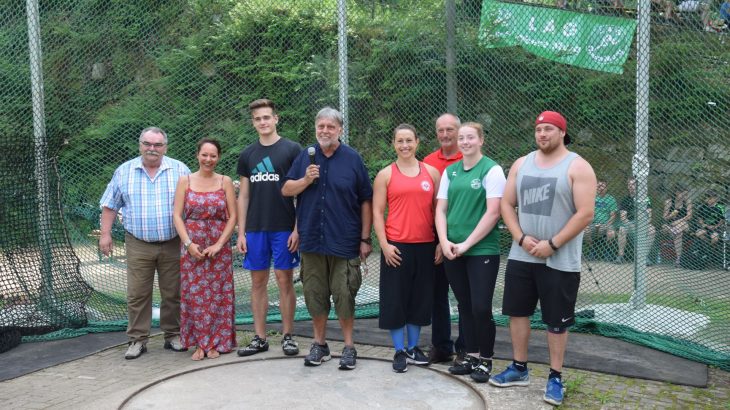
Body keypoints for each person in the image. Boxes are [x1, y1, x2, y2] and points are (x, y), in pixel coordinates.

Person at [490, 111, 596, 407]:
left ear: (562, 132)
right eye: (538, 129)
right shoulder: (521, 164)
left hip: (560, 259)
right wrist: (521, 238)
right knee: (518, 312)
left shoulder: (578, 166)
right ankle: (519, 368)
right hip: (522, 255)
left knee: (556, 321)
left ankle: (555, 376)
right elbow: (506, 205)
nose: (542, 134)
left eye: (548, 129)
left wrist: (553, 243)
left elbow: (585, 212)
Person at [281, 107, 373, 370]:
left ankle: (348, 347)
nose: (325, 131)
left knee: (344, 294)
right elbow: (287, 190)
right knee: (314, 294)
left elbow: (366, 199)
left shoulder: (352, 159)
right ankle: (320, 345)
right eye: (321, 126)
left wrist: (365, 239)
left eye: (330, 127)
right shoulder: (306, 157)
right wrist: (305, 180)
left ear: (340, 130)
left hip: (344, 240)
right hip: (311, 240)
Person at [99, 127, 191, 359]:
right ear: (140, 145)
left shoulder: (180, 169)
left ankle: (173, 335)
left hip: (173, 241)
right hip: (138, 243)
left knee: (174, 292)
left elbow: (193, 204)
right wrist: (105, 234)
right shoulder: (124, 171)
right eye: (147, 144)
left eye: (157, 145)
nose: (152, 149)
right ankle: (138, 340)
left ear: (165, 147)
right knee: (138, 294)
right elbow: (110, 205)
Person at [435, 122, 506, 383]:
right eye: (461, 138)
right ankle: (472, 355)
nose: (465, 142)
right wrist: (444, 241)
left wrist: (466, 244)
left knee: (480, 306)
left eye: (470, 138)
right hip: (453, 250)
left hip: (481, 250)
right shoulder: (450, 172)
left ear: (481, 140)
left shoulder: (492, 169)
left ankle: (486, 360)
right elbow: (441, 209)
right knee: (464, 305)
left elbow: (493, 212)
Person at [235, 99, 302, 357]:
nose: (263, 122)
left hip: (284, 226)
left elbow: (301, 193)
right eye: (258, 119)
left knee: (285, 280)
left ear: (276, 119)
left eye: (266, 117)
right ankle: (260, 337)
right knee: (257, 282)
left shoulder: (292, 149)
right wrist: (241, 232)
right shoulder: (247, 154)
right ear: (253, 123)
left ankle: (287, 336)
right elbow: (244, 196)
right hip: (255, 229)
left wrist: (297, 229)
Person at [373, 124, 441, 373]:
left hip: (425, 245)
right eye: (400, 141)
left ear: (417, 143)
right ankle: (399, 350)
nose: (405, 145)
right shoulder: (385, 175)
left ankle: (413, 347)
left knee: (420, 299)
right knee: (395, 300)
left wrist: (440, 243)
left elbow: (439, 212)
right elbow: (377, 212)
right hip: (396, 247)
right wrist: (384, 244)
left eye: (409, 141)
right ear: (394, 144)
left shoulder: (432, 173)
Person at [173, 138, 237, 360]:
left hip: (219, 248)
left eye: (213, 155)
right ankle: (200, 343)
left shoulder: (225, 181)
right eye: (205, 155)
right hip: (193, 248)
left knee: (219, 295)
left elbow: (234, 216)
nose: (208, 159)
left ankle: (216, 343)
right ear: (197, 155)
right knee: (194, 294)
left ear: (218, 157)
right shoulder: (185, 181)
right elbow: (177, 215)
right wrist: (189, 244)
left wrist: (219, 244)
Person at [423, 113, 464, 364]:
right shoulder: (427, 161)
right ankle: (441, 345)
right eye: (441, 130)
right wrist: (438, 239)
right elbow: (430, 205)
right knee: (437, 295)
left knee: (464, 297)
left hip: (462, 241)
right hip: (434, 240)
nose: (445, 135)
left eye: (450, 129)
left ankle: (466, 347)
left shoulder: (470, 158)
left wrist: (447, 239)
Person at [614, 178, 656, 264]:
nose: (631, 187)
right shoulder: (625, 200)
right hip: (629, 223)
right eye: (629, 185)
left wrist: (644, 224)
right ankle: (620, 256)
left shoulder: (645, 199)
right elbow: (623, 218)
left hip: (643, 223)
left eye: (633, 184)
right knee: (622, 229)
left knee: (652, 230)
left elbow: (649, 215)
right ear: (628, 187)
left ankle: (643, 257)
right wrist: (631, 225)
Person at [585, 179, 617, 260]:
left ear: (606, 188)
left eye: (602, 186)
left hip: (606, 224)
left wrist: (607, 225)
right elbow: (587, 213)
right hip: (592, 223)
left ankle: (607, 251)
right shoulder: (591, 197)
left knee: (611, 233)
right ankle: (593, 249)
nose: (600, 187)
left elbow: (613, 216)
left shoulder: (611, 199)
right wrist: (588, 224)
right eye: (598, 186)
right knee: (585, 231)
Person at [661, 185, 693, 267]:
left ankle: (674, 231)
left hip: (684, 224)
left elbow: (689, 216)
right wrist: (671, 216)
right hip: (670, 225)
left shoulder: (688, 202)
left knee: (682, 225)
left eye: (686, 195)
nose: (685, 197)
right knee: (678, 233)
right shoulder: (669, 202)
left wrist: (677, 221)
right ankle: (678, 259)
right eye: (684, 194)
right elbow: (664, 218)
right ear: (677, 193)